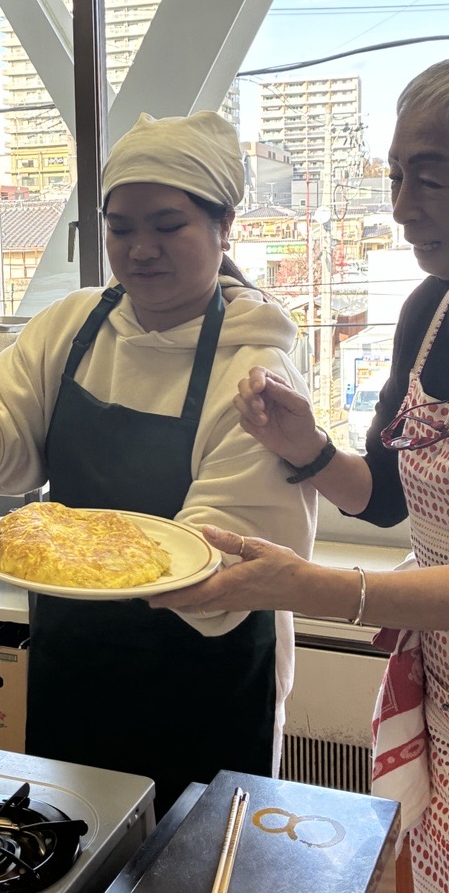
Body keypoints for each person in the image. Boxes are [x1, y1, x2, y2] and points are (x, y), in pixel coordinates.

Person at [0, 110, 316, 817]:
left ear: (225, 226)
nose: (140, 249)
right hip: (73, 652)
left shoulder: (256, 368)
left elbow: (233, 546)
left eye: (168, 226)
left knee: (196, 852)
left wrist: (105, 564)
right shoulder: (72, 325)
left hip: (204, 667)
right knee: (71, 836)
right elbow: (9, 414)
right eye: (120, 227)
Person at [150, 61, 449, 886]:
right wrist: (307, 448)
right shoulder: (429, 310)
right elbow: (382, 500)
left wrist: (310, 586)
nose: (403, 207)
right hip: (438, 691)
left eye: (431, 177)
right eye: (395, 175)